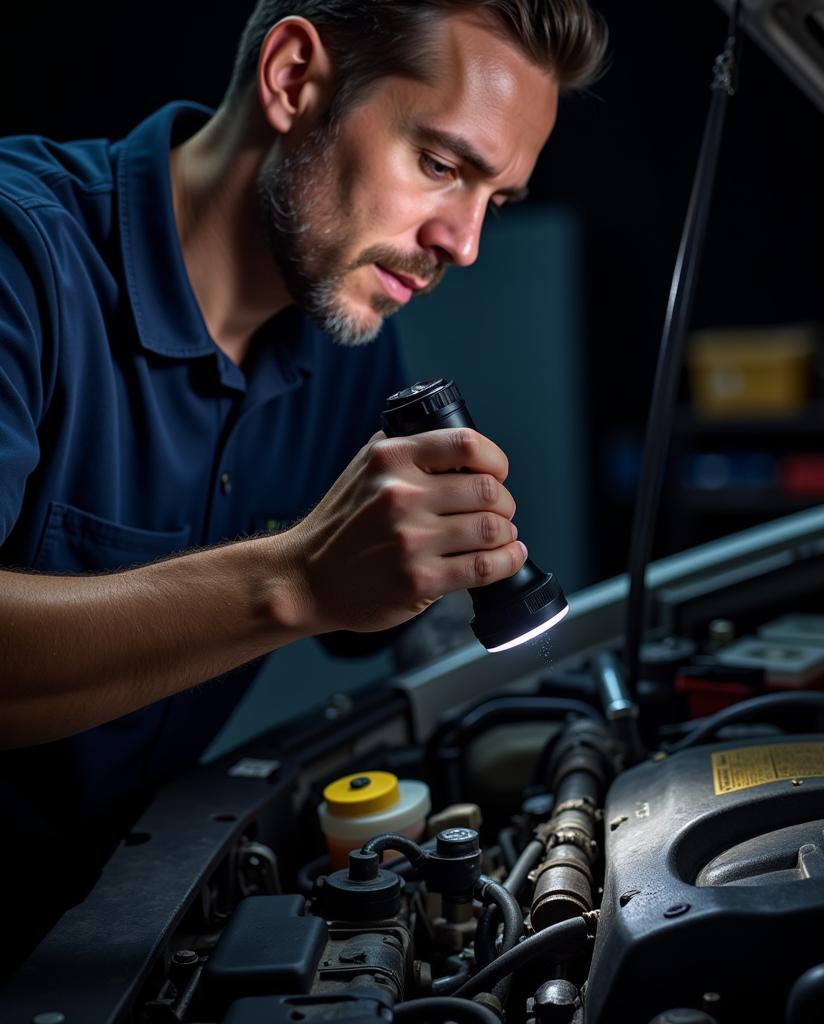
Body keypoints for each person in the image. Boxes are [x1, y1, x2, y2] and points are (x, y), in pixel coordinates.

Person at [0, 0, 608, 968]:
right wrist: (293, 581)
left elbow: (402, 630)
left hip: (106, 930)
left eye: (495, 199)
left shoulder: (344, 349)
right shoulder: (19, 256)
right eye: (443, 165)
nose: (463, 243)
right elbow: (309, 583)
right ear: (292, 78)